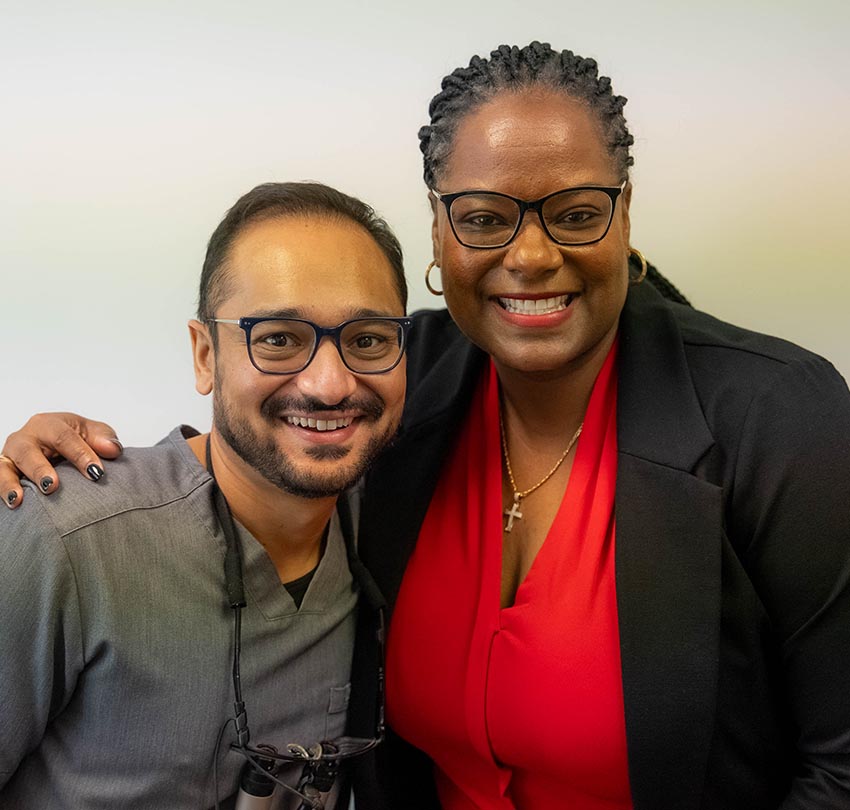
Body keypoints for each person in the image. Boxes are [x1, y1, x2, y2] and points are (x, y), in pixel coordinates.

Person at [3, 41, 850, 810]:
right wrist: (73, 472)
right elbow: (271, 425)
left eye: (577, 212)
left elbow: (839, 767)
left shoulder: (777, 415)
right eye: (484, 216)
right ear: (439, 232)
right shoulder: (408, 374)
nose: (530, 254)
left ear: (625, 214)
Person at [0, 181, 411, 808]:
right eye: (277, 338)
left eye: (369, 340)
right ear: (205, 354)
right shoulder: (64, 537)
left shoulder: (387, 520)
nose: (330, 384)